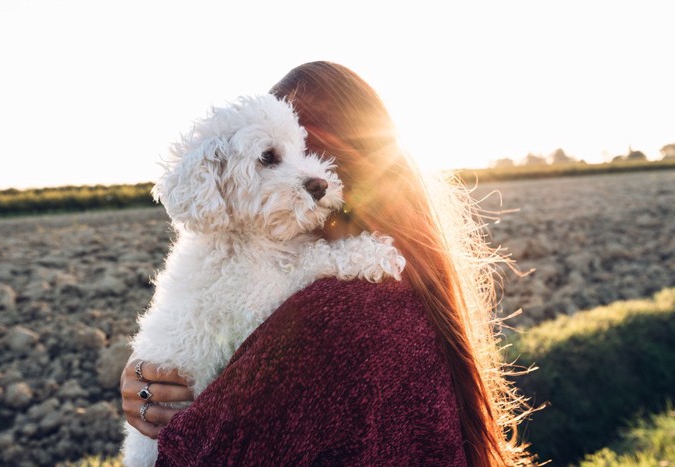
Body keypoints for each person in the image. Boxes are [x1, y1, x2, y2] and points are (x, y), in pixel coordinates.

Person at [120, 61, 534, 465]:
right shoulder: (412, 287)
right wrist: (147, 388)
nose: (309, 176)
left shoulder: (328, 317)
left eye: (307, 154)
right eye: (271, 159)